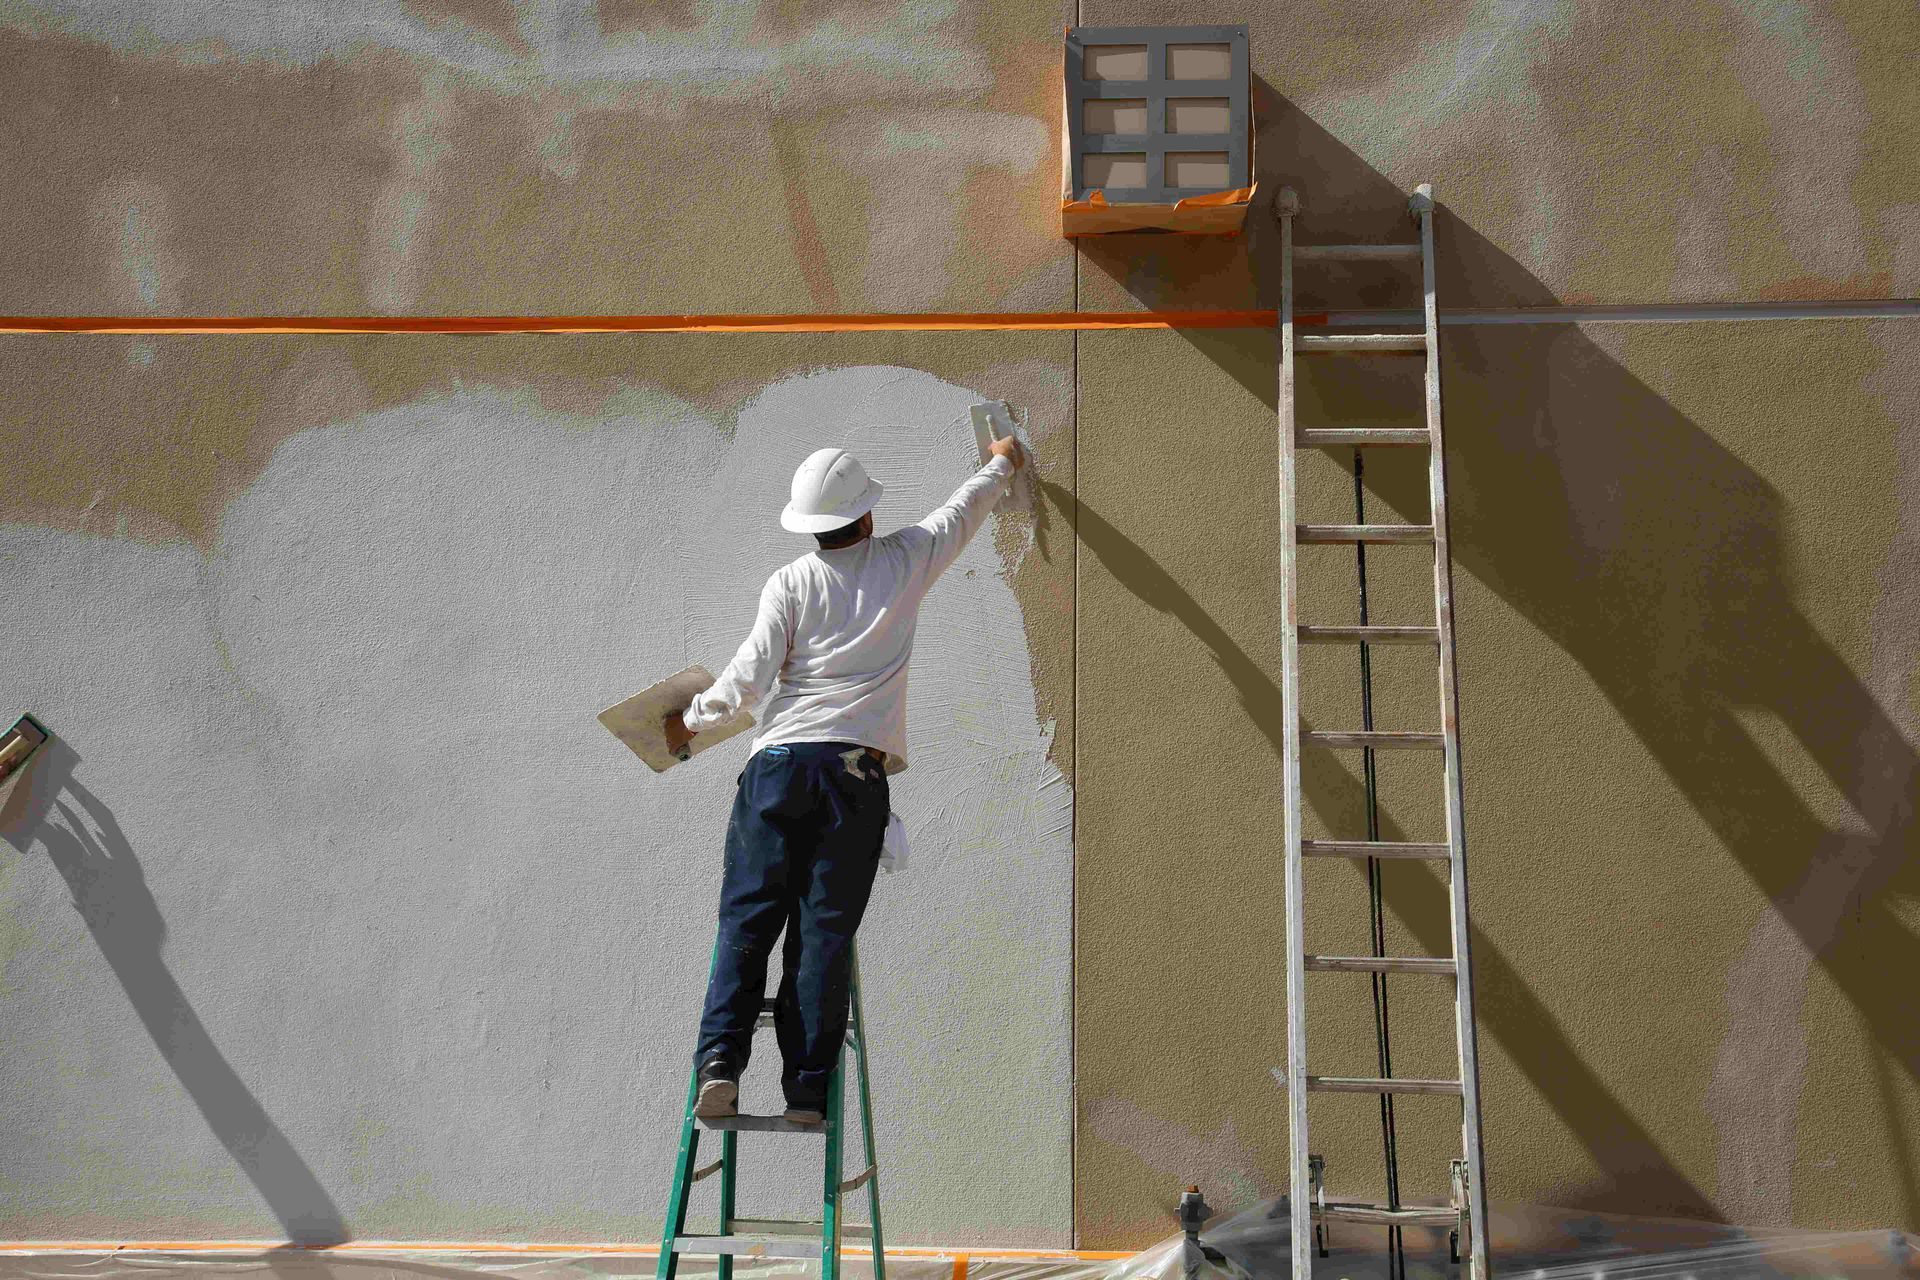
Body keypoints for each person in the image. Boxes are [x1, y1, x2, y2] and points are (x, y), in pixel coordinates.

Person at [665, 433, 1027, 1123]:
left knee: (746, 921)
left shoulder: (791, 582)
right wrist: (1002, 460)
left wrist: (693, 719)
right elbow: (963, 510)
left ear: (812, 527)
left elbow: (747, 680)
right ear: (866, 516)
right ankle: (805, 1091)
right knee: (821, 934)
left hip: (775, 768)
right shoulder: (905, 560)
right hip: (852, 777)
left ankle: (719, 1062)